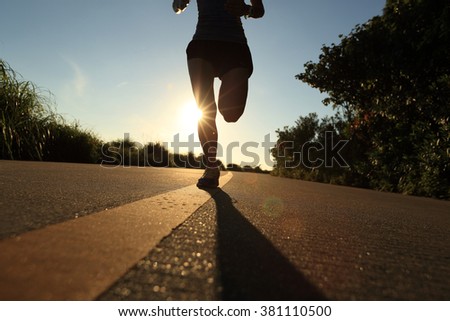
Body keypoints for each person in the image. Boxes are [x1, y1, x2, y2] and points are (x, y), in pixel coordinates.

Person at [173, 0, 265, 188]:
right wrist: (180, 3)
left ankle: (211, 165)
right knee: (205, 109)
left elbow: (259, 10)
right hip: (202, 44)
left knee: (231, 113)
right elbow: (176, 6)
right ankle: (211, 166)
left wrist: (247, 9)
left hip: (235, 46)